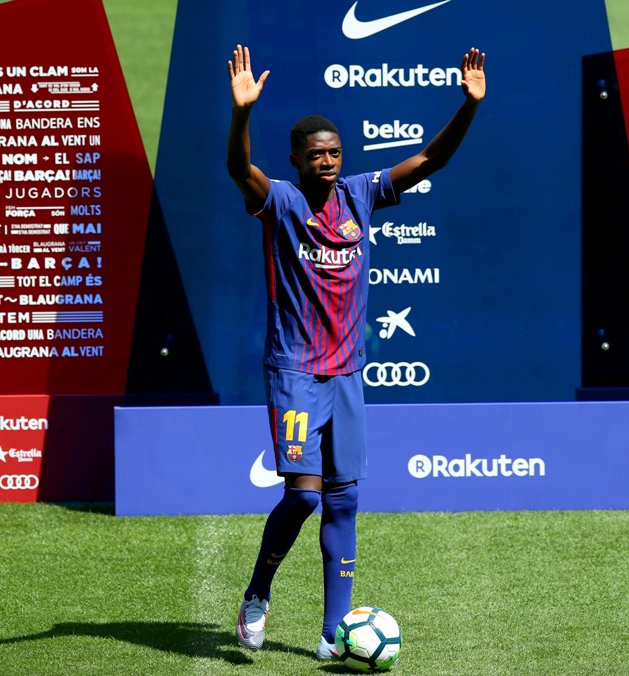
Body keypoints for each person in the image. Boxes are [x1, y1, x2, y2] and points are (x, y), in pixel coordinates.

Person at [226, 43, 485, 659]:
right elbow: (241, 172)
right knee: (305, 496)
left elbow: (429, 159)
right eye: (317, 155)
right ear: (296, 160)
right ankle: (258, 594)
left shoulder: (361, 194)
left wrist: (468, 106)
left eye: (335, 154)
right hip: (294, 370)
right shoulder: (282, 201)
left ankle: (332, 633)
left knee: (345, 499)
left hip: (347, 375)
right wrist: (240, 117)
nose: (328, 163)